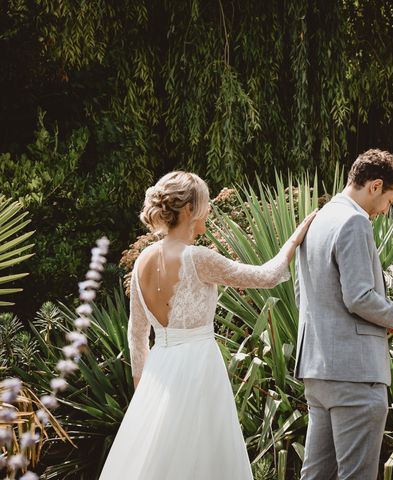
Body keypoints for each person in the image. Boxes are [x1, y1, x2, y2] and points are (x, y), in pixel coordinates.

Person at [99, 171, 316, 480]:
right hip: (199, 370)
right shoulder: (198, 258)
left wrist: (143, 395)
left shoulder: (142, 260)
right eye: (205, 202)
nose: (210, 208)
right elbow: (266, 277)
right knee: (203, 460)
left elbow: (136, 335)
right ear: (188, 210)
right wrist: (296, 238)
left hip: (159, 373)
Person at [295, 149, 393, 480]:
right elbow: (359, 297)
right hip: (355, 374)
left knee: (316, 475)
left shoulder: (317, 219)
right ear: (375, 185)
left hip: (317, 369)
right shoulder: (354, 221)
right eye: (390, 200)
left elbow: (303, 294)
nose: (385, 209)